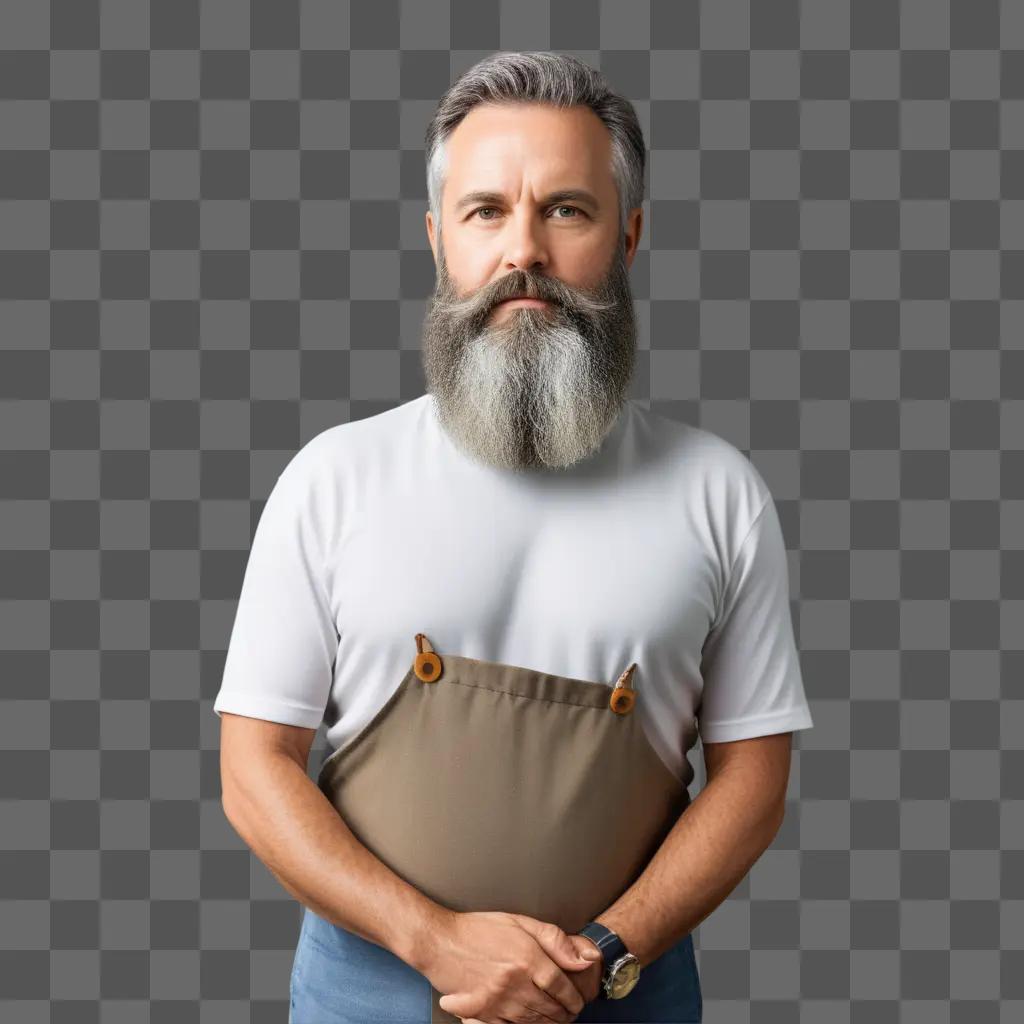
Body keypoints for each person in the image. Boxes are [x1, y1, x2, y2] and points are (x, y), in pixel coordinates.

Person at [214, 51, 814, 1024]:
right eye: (485, 210)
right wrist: (432, 940)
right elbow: (252, 771)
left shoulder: (718, 491)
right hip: (368, 995)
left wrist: (605, 954)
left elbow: (752, 780)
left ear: (627, 231)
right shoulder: (333, 477)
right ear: (438, 238)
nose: (522, 250)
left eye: (565, 209)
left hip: (623, 994)